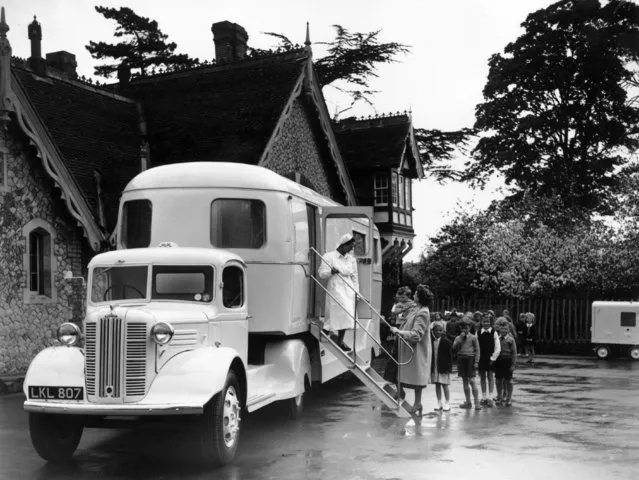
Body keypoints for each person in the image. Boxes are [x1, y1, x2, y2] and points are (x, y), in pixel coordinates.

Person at [390, 284, 433, 417]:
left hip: (417, 349)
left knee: (417, 377)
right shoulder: (416, 308)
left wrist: (399, 332)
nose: (413, 295)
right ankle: (412, 399)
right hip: (409, 348)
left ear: (420, 297)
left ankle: (417, 403)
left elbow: (416, 335)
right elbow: (398, 312)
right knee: (412, 374)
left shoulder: (423, 312)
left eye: (415, 294)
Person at [318, 233, 359, 351]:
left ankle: (340, 341)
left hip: (349, 288)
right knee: (337, 310)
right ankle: (326, 330)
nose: (351, 250)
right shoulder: (329, 256)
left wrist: (357, 292)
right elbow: (321, 274)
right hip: (336, 286)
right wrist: (331, 272)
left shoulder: (351, 259)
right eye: (350, 247)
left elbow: (355, 277)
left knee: (347, 315)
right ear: (343, 245)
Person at [452, 318, 481, 410]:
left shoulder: (473, 337)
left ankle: (477, 402)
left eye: (466, 328)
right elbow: (454, 347)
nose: (464, 330)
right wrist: (460, 338)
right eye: (462, 328)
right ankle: (468, 402)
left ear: (470, 327)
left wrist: (476, 362)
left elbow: (477, 350)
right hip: (461, 359)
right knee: (464, 381)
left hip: (470, 359)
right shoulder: (458, 338)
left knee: (472, 381)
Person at [477, 314, 501, 407]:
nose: (486, 323)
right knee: (482, 377)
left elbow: (498, 347)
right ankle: (484, 397)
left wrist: (493, 358)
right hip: (481, 358)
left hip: (490, 358)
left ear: (491, 322)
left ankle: (490, 398)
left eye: (488, 321)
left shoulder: (494, 333)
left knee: (490, 377)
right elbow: (476, 345)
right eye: (484, 321)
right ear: (481, 322)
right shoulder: (478, 333)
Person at [494, 317, 517, 406]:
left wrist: (513, 365)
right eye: (502, 329)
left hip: (507, 361)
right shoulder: (497, 339)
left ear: (509, 329)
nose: (504, 330)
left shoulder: (511, 340)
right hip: (499, 361)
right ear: (499, 329)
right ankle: (499, 397)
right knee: (498, 380)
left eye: (506, 329)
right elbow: (494, 350)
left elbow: (514, 353)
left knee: (509, 381)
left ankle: (509, 398)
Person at [430, 320, 453, 412]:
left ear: (443, 331)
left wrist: (449, 367)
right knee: (437, 384)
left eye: (440, 330)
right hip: (435, 366)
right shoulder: (431, 341)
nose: (438, 332)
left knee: (445, 385)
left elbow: (450, 356)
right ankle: (439, 402)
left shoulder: (447, 342)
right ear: (433, 331)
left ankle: (447, 402)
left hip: (443, 367)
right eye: (436, 330)